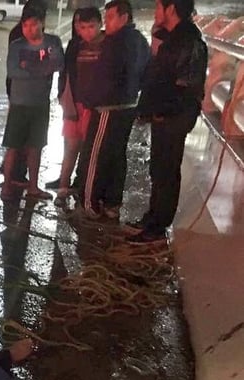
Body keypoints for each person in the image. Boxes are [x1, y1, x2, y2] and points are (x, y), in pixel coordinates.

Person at [128, 0, 208, 244]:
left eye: (158, 7)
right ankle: (152, 218)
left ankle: (158, 226)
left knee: (167, 170)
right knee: (159, 167)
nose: (155, 12)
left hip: (175, 116)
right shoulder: (172, 38)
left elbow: (185, 87)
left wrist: (163, 110)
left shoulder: (189, 42)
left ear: (171, 9)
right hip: (164, 114)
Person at [75, 0, 150, 220]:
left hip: (108, 107)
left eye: (110, 18)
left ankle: (89, 203)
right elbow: (146, 73)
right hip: (128, 106)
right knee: (116, 155)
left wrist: (89, 100)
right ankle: (112, 203)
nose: (106, 23)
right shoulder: (139, 41)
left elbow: (105, 79)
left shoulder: (115, 43)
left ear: (124, 17)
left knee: (95, 155)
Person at [0, 5, 64, 202]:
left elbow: (59, 64)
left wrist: (30, 66)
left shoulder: (53, 42)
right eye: (25, 25)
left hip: (40, 104)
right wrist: (41, 68)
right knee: (13, 145)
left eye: (34, 24)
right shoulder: (17, 45)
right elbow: (13, 71)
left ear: (42, 23)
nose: (29, 29)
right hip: (19, 103)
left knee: (36, 146)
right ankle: (7, 185)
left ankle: (34, 186)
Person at [54, 7, 104, 208]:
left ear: (100, 24)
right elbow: (65, 73)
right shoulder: (75, 45)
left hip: (95, 107)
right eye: (82, 27)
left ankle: (85, 190)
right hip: (74, 105)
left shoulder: (108, 46)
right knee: (71, 147)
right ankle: (63, 188)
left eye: (91, 26)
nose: (87, 31)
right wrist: (62, 96)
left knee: (90, 151)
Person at [3, 0, 48, 189]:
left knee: (28, 142)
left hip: (31, 95)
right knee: (19, 141)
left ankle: (20, 178)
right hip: (23, 94)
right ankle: (15, 176)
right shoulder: (21, 37)